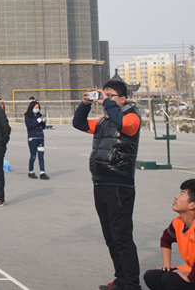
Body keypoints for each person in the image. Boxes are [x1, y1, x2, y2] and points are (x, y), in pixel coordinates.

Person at [73, 81, 141, 290]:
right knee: (110, 237)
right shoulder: (104, 120)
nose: (106, 100)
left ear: (123, 99)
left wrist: (108, 103)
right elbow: (79, 123)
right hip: (101, 183)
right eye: (104, 95)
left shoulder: (132, 117)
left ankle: (132, 285)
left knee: (122, 237)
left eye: (111, 96)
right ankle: (121, 280)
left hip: (119, 184)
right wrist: (85, 104)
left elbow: (123, 125)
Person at [143, 179, 195, 290]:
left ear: (192, 205)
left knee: (170, 279)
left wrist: (191, 278)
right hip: (192, 269)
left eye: (181, 194)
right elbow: (165, 239)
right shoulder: (178, 222)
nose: (176, 197)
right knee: (151, 277)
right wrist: (167, 266)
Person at [24, 101, 49, 179]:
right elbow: (29, 126)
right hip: (33, 139)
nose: (37, 109)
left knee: (41, 156)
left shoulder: (39, 115)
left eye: (38, 107)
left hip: (40, 138)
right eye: (36, 107)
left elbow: (43, 127)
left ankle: (42, 172)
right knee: (33, 156)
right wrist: (37, 121)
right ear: (32, 107)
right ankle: (31, 171)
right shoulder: (27, 116)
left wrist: (43, 121)